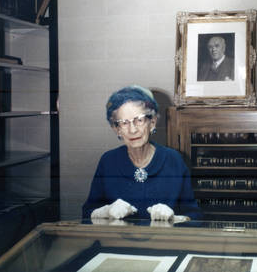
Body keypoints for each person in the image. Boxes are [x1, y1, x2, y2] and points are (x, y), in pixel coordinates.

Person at [82, 85, 202, 222]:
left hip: (163, 242)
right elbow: (87, 213)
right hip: (117, 243)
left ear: (152, 123)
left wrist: (174, 218)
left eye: (139, 120)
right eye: (123, 123)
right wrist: (105, 211)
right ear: (117, 129)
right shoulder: (108, 161)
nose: (133, 130)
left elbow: (195, 216)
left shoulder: (174, 160)